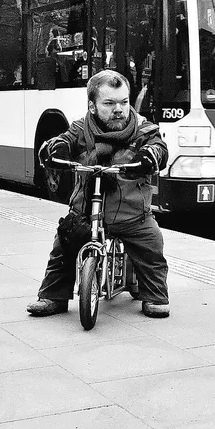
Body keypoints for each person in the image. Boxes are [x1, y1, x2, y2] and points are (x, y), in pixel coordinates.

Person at [27, 69, 170, 319]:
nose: (119, 109)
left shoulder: (144, 130)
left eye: (124, 102)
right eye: (109, 103)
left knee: (152, 246)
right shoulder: (81, 129)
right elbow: (64, 140)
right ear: (92, 106)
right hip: (85, 212)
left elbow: (158, 147)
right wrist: (55, 149)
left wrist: (152, 155)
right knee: (63, 245)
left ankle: (154, 295)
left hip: (132, 214)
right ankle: (53, 296)